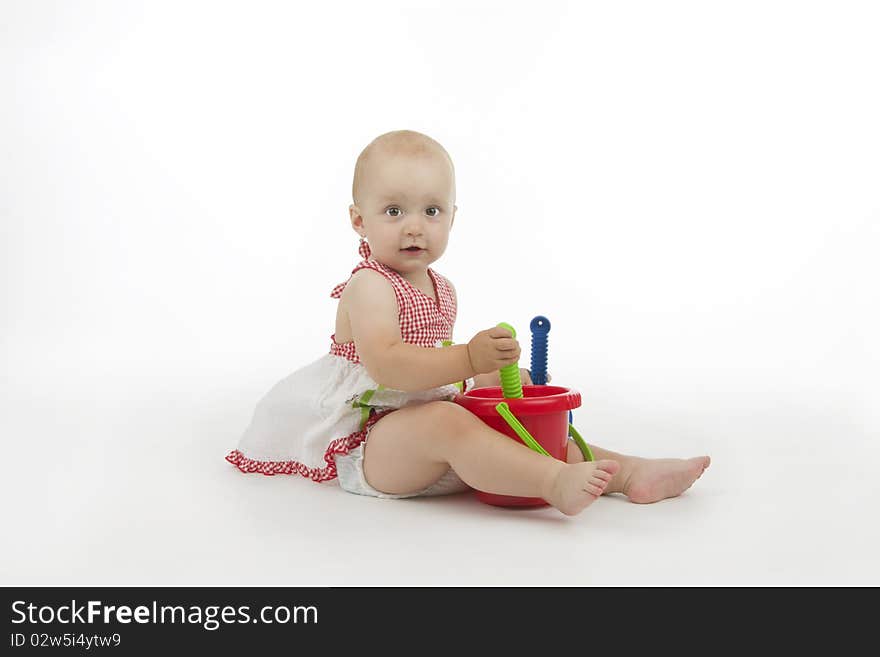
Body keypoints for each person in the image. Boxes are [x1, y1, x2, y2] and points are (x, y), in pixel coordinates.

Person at [226, 129, 710, 516]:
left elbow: (438, 368)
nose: (414, 225)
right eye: (393, 211)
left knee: (513, 420)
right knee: (444, 420)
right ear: (359, 220)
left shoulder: (443, 288)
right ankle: (551, 483)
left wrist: (488, 376)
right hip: (371, 442)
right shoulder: (369, 285)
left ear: (452, 218)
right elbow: (391, 368)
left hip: (427, 433)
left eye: (431, 210)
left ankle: (627, 473)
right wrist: (467, 357)